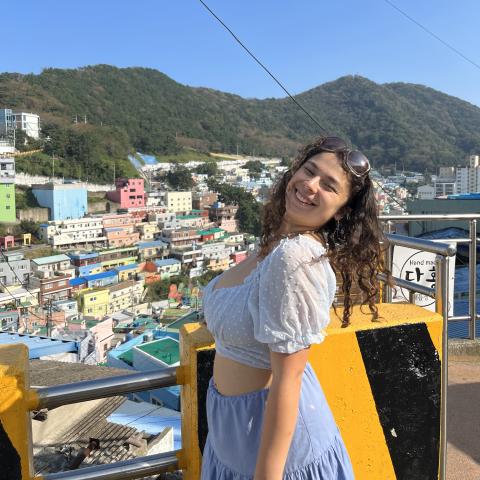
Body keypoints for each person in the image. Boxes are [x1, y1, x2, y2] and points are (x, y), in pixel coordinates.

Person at [200, 136, 388, 479]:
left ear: (342, 209)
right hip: (232, 433)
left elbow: (290, 378)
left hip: (274, 450)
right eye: (309, 171)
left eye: (329, 185)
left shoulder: (295, 257)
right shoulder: (274, 245)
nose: (310, 185)